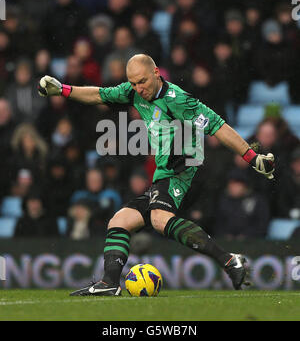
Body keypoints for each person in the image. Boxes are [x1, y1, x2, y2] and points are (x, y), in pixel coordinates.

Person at [38, 54, 275, 296]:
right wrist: (63, 90)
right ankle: (109, 283)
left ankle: (229, 261)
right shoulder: (133, 92)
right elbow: (99, 94)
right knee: (119, 221)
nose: (138, 89)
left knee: (159, 219)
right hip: (164, 175)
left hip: (185, 170)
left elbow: (217, 125)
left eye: (142, 82)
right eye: (132, 83)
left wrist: (252, 157)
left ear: (156, 73)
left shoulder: (179, 100)